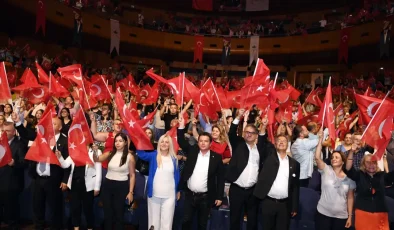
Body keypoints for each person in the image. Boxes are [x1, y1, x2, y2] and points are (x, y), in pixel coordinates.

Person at [13, 115, 71, 230]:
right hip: (38, 178)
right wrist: (18, 123)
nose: (50, 125)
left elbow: (68, 164)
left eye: (54, 124)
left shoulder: (65, 141)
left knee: (55, 208)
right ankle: (39, 226)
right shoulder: (41, 136)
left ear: (59, 127)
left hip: (54, 180)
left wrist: (65, 180)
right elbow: (26, 134)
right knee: (37, 206)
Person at [177, 114, 225, 230]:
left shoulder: (217, 157)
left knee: (202, 224)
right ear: (198, 142)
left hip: (206, 197)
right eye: (201, 141)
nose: (203, 143)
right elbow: (182, 142)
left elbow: (220, 178)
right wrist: (181, 125)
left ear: (210, 143)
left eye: (206, 141)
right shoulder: (193, 152)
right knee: (186, 221)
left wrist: (219, 196)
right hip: (189, 195)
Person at [254, 116, 300, 230]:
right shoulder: (269, 156)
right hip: (268, 202)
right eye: (278, 141)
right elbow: (261, 144)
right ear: (275, 144)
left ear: (287, 144)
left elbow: (295, 187)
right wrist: (263, 127)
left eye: (284, 141)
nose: (281, 143)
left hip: (284, 205)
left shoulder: (294, 164)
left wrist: (294, 206)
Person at [226, 109, 263, 230]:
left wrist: (264, 125)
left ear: (256, 135)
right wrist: (238, 117)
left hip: (253, 191)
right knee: (235, 220)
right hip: (237, 190)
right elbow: (231, 133)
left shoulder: (260, 149)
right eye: (247, 132)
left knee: (252, 221)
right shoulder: (239, 144)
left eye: (252, 133)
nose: (248, 134)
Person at [136, 135, 180, 230]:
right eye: (162, 141)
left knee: (167, 224)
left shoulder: (174, 158)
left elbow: (176, 176)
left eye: (166, 142)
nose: (164, 144)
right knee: (153, 223)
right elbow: (141, 154)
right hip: (154, 195)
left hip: (170, 196)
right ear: (159, 143)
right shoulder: (153, 155)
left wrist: (178, 190)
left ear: (170, 145)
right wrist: (138, 139)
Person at [93, 132, 136, 230]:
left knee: (119, 214)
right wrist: (95, 151)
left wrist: (130, 192)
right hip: (107, 185)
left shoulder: (130, 157)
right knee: (107, 214)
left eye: (120, 141)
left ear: (125, 142)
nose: (117, 143)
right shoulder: (110, 153)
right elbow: (97, 159)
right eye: (116, 141)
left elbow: (132, 175)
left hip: (121, 186)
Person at [345, 146, 394, 230]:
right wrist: (352, 152)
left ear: (376, 164)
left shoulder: (382, 175)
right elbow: (348, 169)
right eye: (368, 162)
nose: (371, 165)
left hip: (380, 215)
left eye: (374, 162)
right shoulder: (359, 175)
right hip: (363, 214)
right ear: (363, 164)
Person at [314, 130, 355, 230]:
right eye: (332, 157)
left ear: (342, 161)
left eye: (337, 157)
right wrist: (320, 140)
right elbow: (317, 157)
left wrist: (350, 216)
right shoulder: (326, 170)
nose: (333, 159)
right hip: (323, 214)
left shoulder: (349, 178)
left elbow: (350, 198)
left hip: (341, 217)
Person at [58, 143, 102, 230]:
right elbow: (65, 165)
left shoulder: (96, 151)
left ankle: (90, 227)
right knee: (75, 209)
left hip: (88, 185)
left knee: (88, 210)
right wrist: (59, 157)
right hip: (74, 184)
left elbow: (98, 170)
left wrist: (97, 187)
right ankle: (76, 228)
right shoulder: (75, 150)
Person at [0, 122, 28, 229]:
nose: (4, 133)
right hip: (1, 180)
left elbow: (24, 163)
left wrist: (14, 163)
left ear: (13, 132)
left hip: (12, 182)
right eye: (3, 130)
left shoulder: (20, 144)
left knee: (11, 207)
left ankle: (13, 224)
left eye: (7, 131)